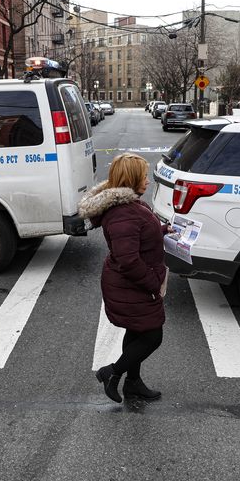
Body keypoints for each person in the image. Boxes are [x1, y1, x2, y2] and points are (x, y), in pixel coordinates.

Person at [78, 153, 171, 403]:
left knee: (137, 332)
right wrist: (153, 285)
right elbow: (128, 258)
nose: (147, 180)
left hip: (131, 284)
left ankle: (133, 383)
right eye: (143, 176)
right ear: (131, 179)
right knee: (152, 336)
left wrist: (162, 230)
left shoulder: (130, 206)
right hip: (133, 285)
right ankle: (112, 373)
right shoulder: (125, 212)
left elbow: (135, 237)